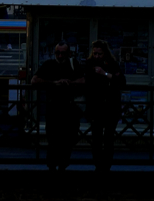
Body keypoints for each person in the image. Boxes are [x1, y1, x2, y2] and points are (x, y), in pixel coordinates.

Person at [31, 41, 84, 170]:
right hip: (54, 107)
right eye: (58, 53)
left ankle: (60, 164)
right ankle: (54, 165)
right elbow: (34, 80)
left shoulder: (73, 64)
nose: (60, 56)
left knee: (67, 139)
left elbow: (83, 80)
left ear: (68, 53)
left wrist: (68, 83)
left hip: (68, 107)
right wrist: (55, 83)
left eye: (63, 53)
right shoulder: (49, 64)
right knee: (54, 139)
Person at [84, 40, 126, 172]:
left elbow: (121, 81)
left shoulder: (112, 64)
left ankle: (106, 165)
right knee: (96, 138)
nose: (96, 56)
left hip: (110, 106)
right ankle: (98, 164)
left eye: (99, 54)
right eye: (95, 53)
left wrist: (105, 74)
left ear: (105, 53)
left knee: (108, 138)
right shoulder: (89, 64)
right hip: (96, 106)